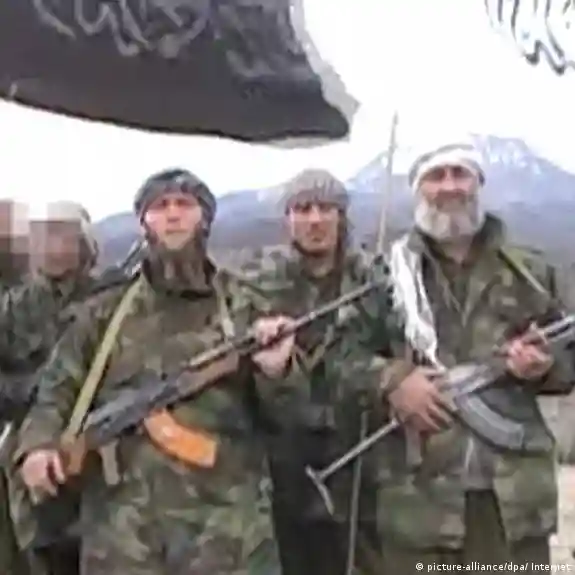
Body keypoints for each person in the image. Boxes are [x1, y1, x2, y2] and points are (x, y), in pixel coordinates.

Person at [14, 168, 283, 575]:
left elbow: (290, 413)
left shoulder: (245, 304)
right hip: (124, 536)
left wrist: (279, 372)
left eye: (184, 204)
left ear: (205, 218)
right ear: (143, 222)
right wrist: (38, 446)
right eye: (160, 206)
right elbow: (56, 390)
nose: (172, 214)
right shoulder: (103, 313)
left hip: (229, 533)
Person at [377, 136, 575, 574]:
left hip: (512, 503)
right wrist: (395, 380)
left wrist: (542, 368)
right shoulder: (386, 276)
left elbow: (568, 360)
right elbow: (346, 360)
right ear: (418, 189)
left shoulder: (528, 271)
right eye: (436, 176)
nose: (449, 186)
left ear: (478, 183)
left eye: (460, 174)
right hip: (419, 501)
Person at [238, 169, 410, 575]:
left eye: (325, 208)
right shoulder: (256, 284)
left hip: (362, 457)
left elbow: (407, 353)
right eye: (302, 209)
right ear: (288, 219)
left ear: (341, 216)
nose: (315, 220)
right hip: (283, 459)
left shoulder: (376, 279)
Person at [0, 201, 100, 575]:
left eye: (62, 234)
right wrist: (31, 390)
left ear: (84, 245)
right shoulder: (14, 307)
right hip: (30, 438)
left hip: (100, 434)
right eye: (43, 235)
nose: (51, 245)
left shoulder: (108, 299)